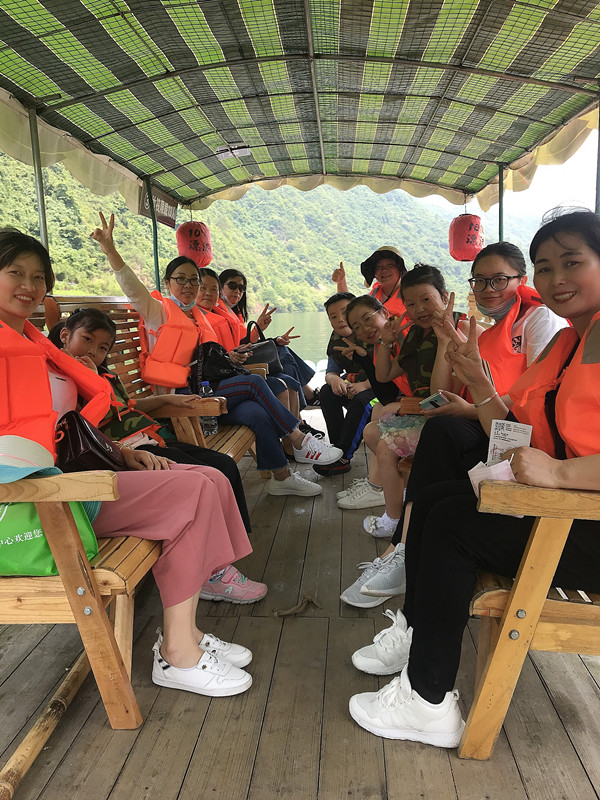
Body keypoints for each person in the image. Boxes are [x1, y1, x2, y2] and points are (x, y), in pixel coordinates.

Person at [348, 209, 600, 748]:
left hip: (585, 523)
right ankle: (418, 632)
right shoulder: (571, 343)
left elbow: (556, 457)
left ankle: (427, 700)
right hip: (567, 510)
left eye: (572, 262)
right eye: (545, 267)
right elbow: (516, 430)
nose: (557, 279)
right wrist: (478, 383)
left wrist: (560, 472)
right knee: (437, 499)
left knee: (452, 524)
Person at [0, 226, 255, 698]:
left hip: (73, 480)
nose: (28, 286)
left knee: (211, 479)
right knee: (193, 492)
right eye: (15, 273)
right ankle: (177, 654)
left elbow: (65, 428)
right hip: (37, 505)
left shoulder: (34, 343)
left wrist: (120, 452)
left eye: (38, 277)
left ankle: (188, 634)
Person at [346, 242, 569, 607]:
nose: (488, 289)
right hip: (492, 426)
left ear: (522, 279)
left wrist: (470, 404)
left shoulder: (537, 320)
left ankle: (402, 546)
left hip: (522, 442)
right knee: (433, 437)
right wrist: (446, 352)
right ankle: (402, 547)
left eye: (499, 280)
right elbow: (433, 388)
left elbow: (533, 397)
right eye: (479, 281)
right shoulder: (481, 330)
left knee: (436, 437)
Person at [90, 213, 343, 497]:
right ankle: (298, 439)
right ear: (168, 282)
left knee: (258, 412)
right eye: (180, 279)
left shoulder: (198, 317)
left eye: (193, 280)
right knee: (253, 383)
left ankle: (281, 479)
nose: (188, 285)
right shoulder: (157, 313)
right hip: (180, 400)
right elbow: (133, 290)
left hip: (206, 391)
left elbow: (208, 362)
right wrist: (110, 250)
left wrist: (230, 358)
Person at [48, 307, 267, 605]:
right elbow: (82, 430)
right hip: (119, 457)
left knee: (223, 465)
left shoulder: (103, 375)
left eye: (102, 348)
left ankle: (225, 554)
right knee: (206, 482)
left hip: (147, 438)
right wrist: (89, 382)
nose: (93, 352)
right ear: (65, 335)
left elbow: (128, 405)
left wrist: (168, 398)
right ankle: (213, 568)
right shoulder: (63, 380)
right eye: (86, 340)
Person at [340, 267, 468, 608]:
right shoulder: (412, 334)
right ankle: (399, 507)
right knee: (372, 430)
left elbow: (444, 394)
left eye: (427, 299)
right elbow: (384, 374)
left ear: (445, 297)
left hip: (448, 417)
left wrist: (446, 340)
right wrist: (386, 341)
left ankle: (395, 522)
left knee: (386, 444)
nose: (419, 309)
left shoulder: (461, 328)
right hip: (429, 413)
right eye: (411, 303)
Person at [216, 267, 317, 406]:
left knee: (284, 355)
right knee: (283, 354)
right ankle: (309, 395)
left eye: (241, 288)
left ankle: (304, 400)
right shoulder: (217, 314)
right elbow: (237, 346)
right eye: (232, 285)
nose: (237, 291)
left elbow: (244, 342)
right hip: (237, 362)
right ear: (220, 287)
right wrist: (261, 332)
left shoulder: (234, 313)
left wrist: (273, 339)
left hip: (244, 356)